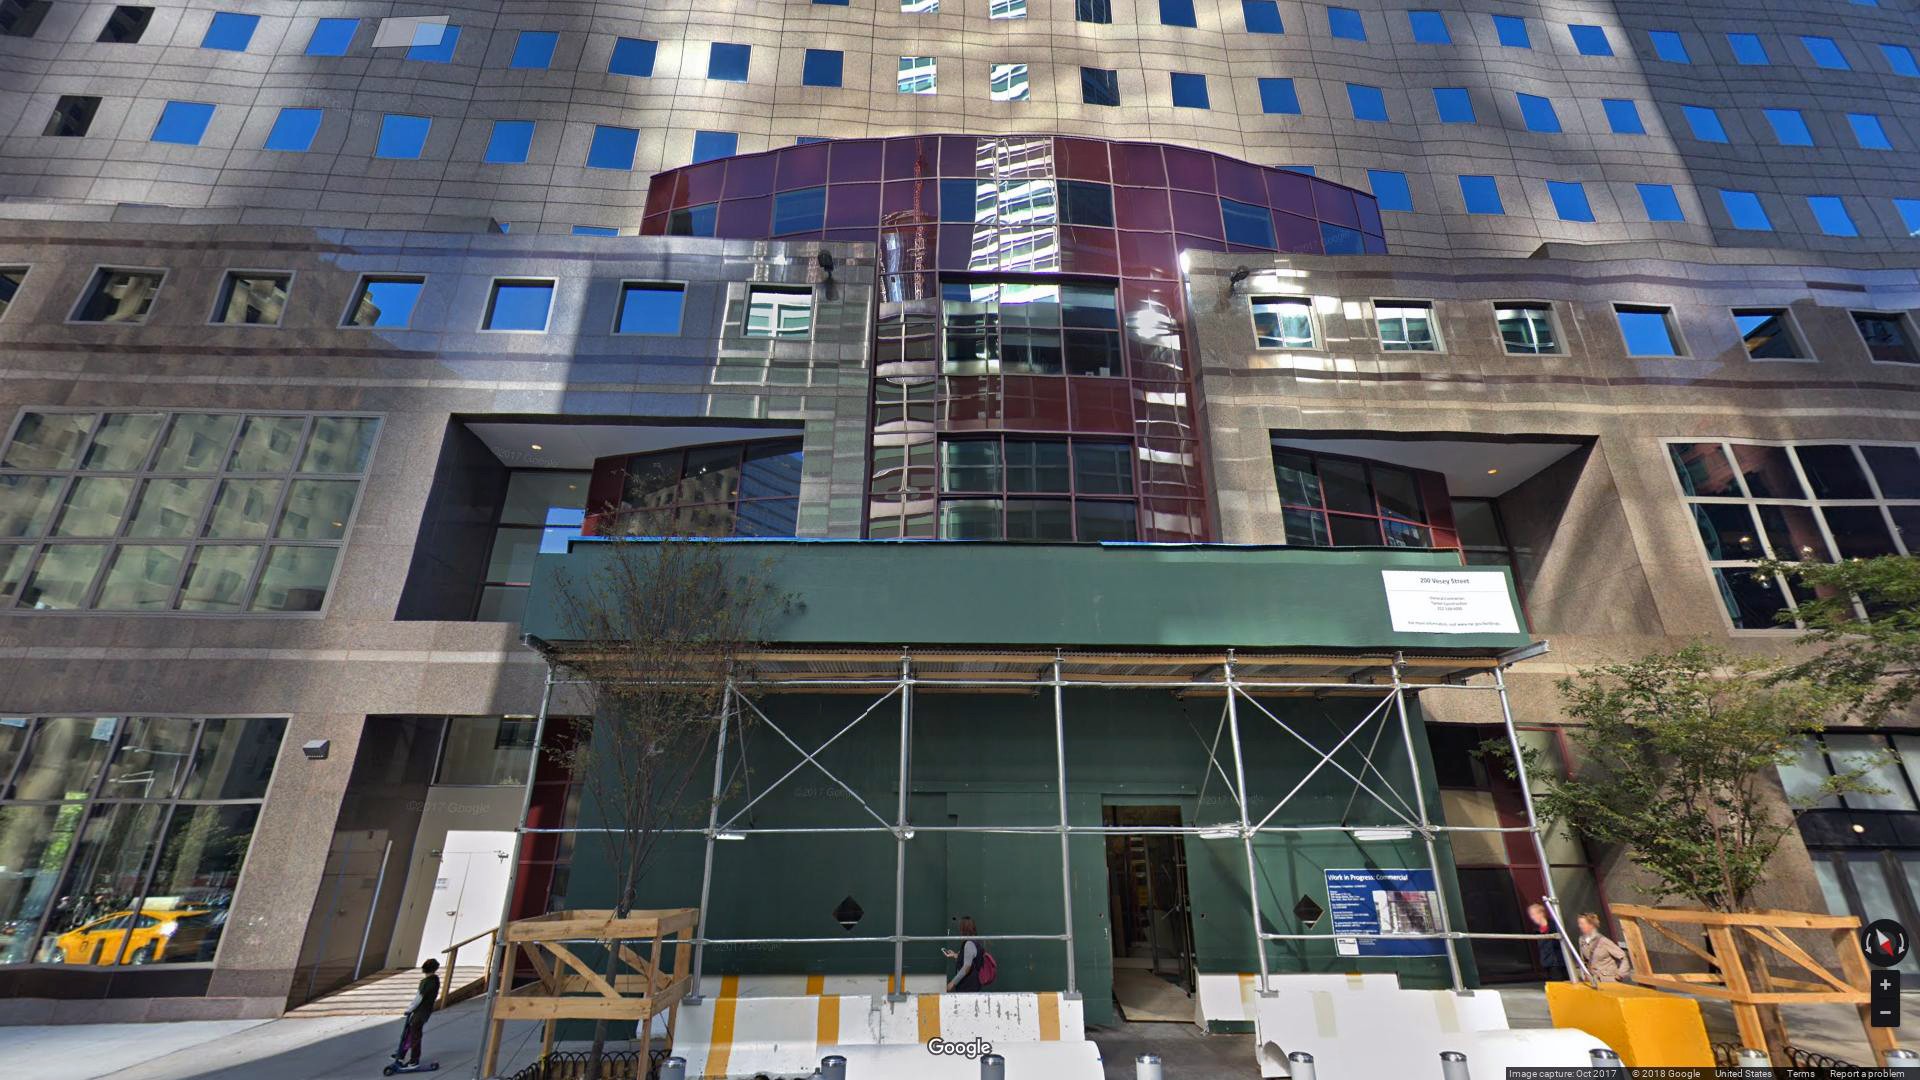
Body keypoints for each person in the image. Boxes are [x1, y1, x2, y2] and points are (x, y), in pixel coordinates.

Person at [393, 958, 441, 1068]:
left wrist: (409, 1009)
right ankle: (401, 1054)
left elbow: (419, 998)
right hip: (425, 1011)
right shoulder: (435, 981)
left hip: (420, 1012)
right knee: (410, 1033)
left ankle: (414, 1060)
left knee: (414, 1035)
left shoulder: (427, 982)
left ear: (424, 969)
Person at [1577, 912, 1630, 983]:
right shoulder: (1582, 940)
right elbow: (1584, 960)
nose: (1580, 926)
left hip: (1609, 979)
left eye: (1582, 924)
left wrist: (1620, 975)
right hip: (1593, 980)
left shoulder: (1603, 941)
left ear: (1591, 925)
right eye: (1579, 923)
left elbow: (1623, 957)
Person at [1527, 902, 1568, 981]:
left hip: (1558, 961)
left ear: (1541, 913)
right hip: (1547, 963)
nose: (1532, 918)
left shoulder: (1554, 926)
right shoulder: (1536, 930)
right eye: (1531, 915)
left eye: (1533, 914)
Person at [941, 916, 982, 992]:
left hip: (968, 986)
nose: (960, 930)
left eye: (961, 927)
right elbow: (970, 959)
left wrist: (952, 983)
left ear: (964, 929)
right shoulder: (975, 941)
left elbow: (966, 967)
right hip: (972, 985)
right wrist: (955, 955)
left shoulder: (969, 943)